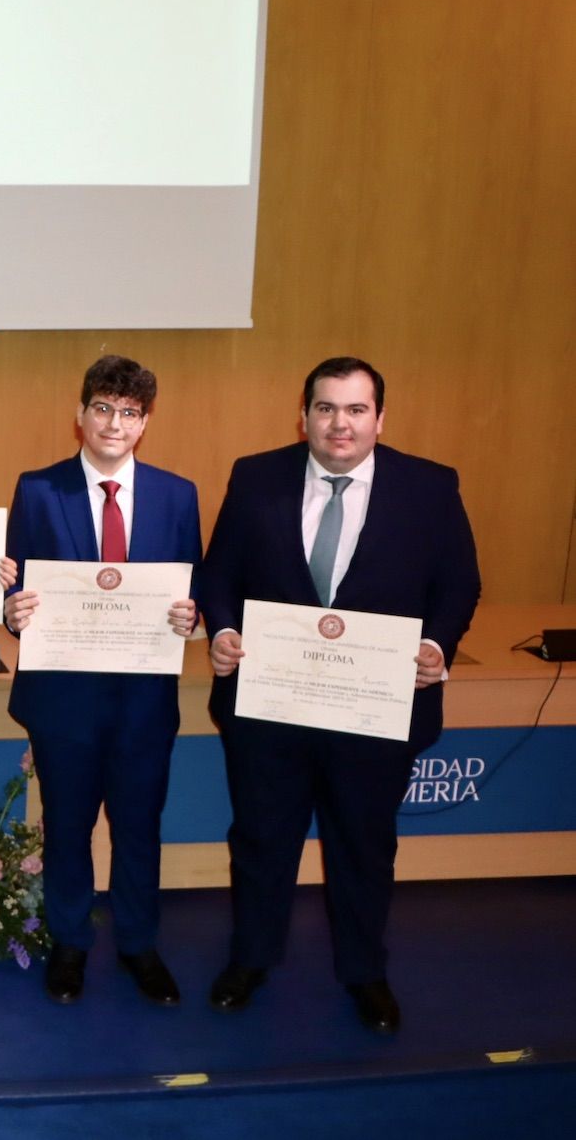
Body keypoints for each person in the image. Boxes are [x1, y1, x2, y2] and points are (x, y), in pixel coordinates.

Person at [197, 357, 480, 1034]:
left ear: (380, 418)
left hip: (373, 711)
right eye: (326, 408)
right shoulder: (256, 475)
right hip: (272, 707)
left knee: (363, 846)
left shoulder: (431, 487)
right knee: (262, 841)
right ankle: (251, 959)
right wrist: (227, 629)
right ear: (304, 416)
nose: (340, 423)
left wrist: (437, 647)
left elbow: (459, 584)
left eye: (355, 409)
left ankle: (364, 971)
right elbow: (218, 574)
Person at [1, 356, 201, 1007]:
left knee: (140, 825)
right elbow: (14, 589)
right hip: (66, 699)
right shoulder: (38, 490)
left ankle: (140, 944)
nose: (116, 423)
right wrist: (12, 609)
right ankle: (69, 942)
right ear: (80, 414)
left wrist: (193, 616)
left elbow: (194, 590)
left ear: (145, 423)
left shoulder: (179, 494)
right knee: (67, 825)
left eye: (131, 412)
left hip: (144, 698)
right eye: (104, 408)